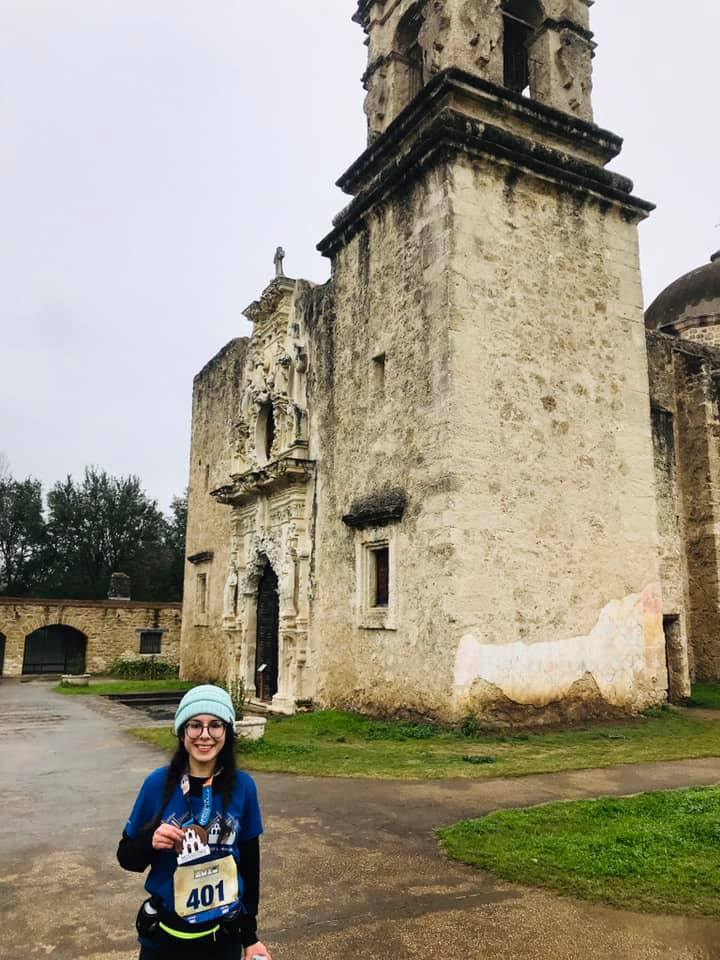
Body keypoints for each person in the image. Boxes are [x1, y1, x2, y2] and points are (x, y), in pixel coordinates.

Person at [117, 684, 272, 960]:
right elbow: (127, 857)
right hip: (165, 938)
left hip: (222, 937)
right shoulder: (157, 784)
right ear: (182, 732)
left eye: (215, 725)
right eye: (195, 725)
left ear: (227, 732)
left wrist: (250, 937)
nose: (205, 735)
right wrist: (151, 841)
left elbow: (250, 864)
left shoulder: (243, 787)